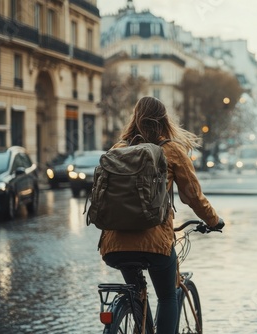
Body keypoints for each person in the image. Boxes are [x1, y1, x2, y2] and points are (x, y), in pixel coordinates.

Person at [99, 96, 225, 333]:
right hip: (155, 244)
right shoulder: (170, 149)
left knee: (136, 294)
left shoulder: (119, 149)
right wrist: (213, 220)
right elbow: (192, 196)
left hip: (114, 245)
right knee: (168, 296)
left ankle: (137, 318)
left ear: (134, 118)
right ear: (163, 120)